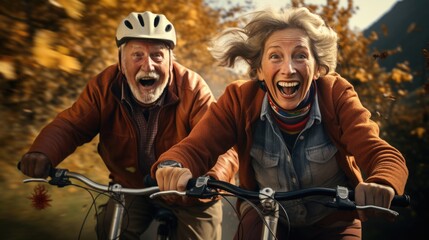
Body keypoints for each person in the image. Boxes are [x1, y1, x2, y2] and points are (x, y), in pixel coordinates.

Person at [152, 7, 409, 240]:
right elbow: (196, 147)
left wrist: (383, 182)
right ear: (260, 70)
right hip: (264, 213)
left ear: (318, 67)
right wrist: (172, 166)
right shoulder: (238, 100)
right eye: (275, 56)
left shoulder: (336, 95)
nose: (288, 69)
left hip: (334, 222)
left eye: (300, 56)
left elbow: (380, 152)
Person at [18, 11, 238, 240]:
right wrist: (42, 152)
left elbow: (220, 143)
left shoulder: (193, 89)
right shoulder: (103, 88)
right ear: (121, 62)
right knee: (109, 232)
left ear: (171, 60)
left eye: (157, 56)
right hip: (131, 187)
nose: (148, 65)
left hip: (189, 193)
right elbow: (71, 125)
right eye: (137, 55)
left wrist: (209, 180)